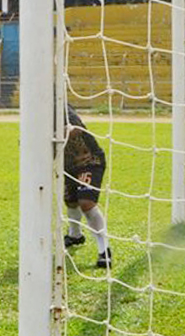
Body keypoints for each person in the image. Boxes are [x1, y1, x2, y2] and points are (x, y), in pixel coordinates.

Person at [63, 105, 112, 268]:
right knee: (71, 201)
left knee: (86, 203)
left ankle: (104, 250)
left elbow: (76, 129)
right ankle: (75, 235)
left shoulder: (61, 106)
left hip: (89, 160)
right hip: (67, 164)